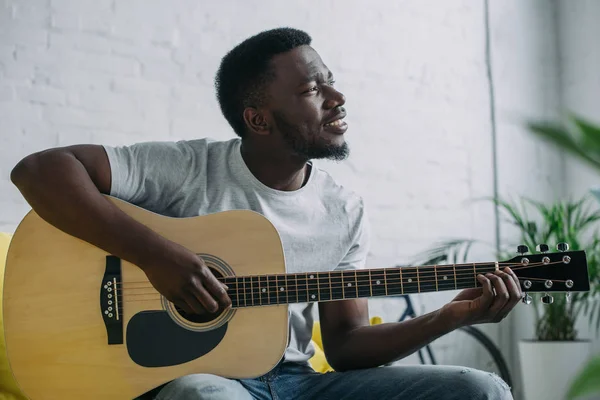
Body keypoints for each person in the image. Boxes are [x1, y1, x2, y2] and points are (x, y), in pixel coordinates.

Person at [11, 27, 517, 400]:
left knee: (480, 389)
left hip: (298, 382)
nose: (338, 99)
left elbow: (344, 347)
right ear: (258, 119)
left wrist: (451, 315)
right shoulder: (189, 167)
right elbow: (40, 171)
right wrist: (157, 256)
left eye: (331, 82)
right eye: (311, 91)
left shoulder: (344, 211)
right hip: (200, 381)